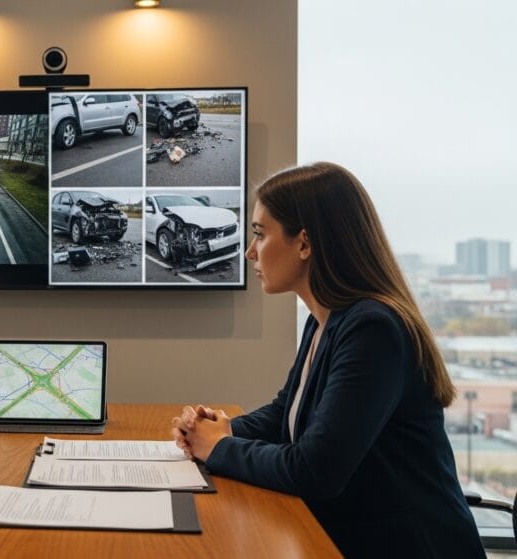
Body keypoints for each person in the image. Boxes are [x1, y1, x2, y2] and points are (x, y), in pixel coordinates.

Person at [172, 162, 484, 557]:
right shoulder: (327, 320)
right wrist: (221, 429)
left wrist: (217, 448)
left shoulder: (373, 328)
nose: (250, 252)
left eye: (260, 235)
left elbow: (315, 470)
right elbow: (286, 411)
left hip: (409, 546)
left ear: (304, 243)